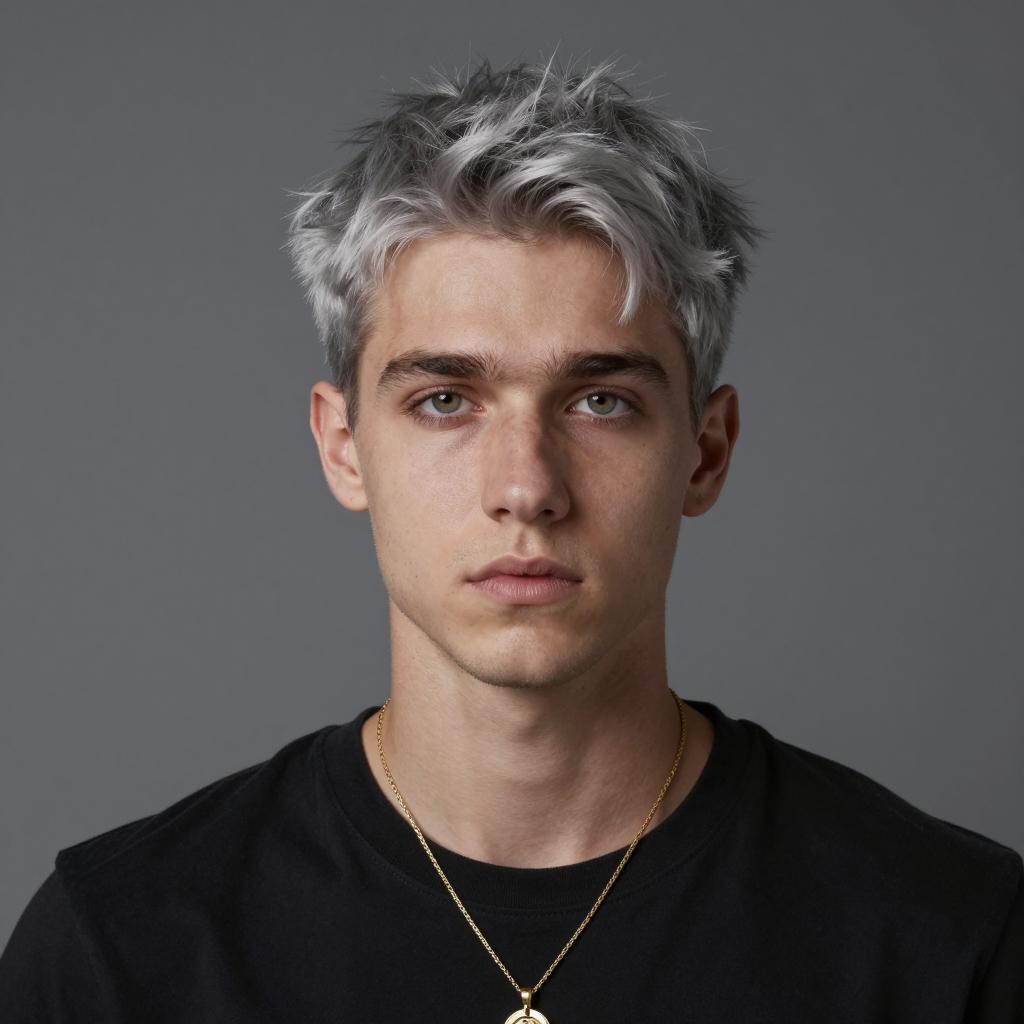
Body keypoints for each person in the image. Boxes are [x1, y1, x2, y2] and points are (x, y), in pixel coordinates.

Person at [2, 53, 1021, 1023]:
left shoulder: (952, 940)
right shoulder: (119, 948)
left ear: (705, 453)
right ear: (344, 446)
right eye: (445, 399)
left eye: (601, 401)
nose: (525, 486)